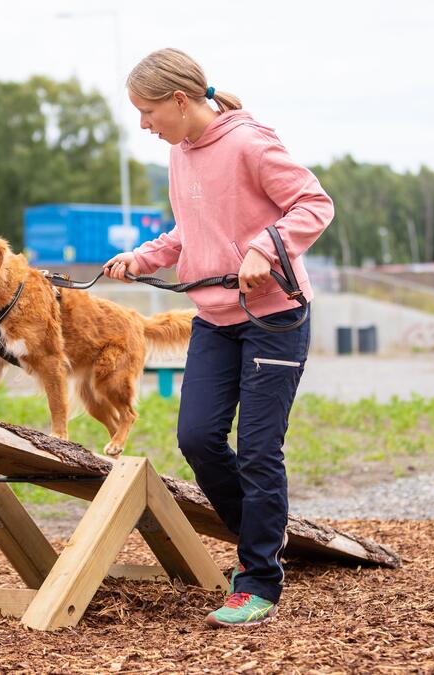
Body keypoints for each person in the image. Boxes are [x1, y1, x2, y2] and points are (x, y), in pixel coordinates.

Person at [104, 48, 333, 628]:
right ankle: (266, 533)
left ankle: (256, 576)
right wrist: (143, 256)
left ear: (180, 100)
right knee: (200, 438)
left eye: (148, 110)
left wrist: (263, 247)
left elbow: (313, 203)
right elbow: (192, 228)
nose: (143, 125)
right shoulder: (182, 153)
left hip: (275, 318)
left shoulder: (250, 143)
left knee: (258, 450)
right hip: (215, 319)